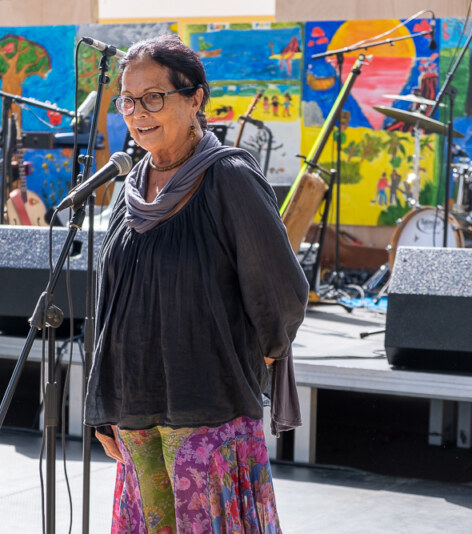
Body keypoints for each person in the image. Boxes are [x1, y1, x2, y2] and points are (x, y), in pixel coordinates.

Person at [84, 35, 309, 533]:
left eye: (153, 97)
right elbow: (111, 305)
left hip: (209, 410)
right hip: (137, 409)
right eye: (128, 100)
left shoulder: (229, 178)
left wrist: (260, 354)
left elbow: (280, 288)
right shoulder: (129, 190)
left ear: (195, 99)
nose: (138, 112)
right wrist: (105, 401)